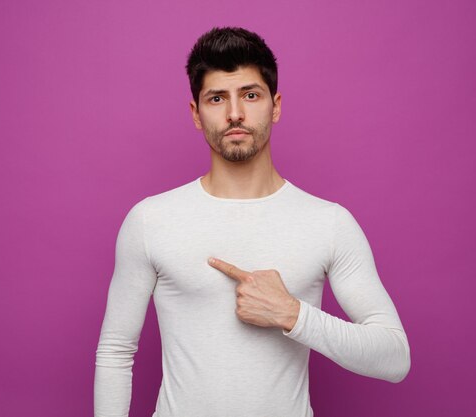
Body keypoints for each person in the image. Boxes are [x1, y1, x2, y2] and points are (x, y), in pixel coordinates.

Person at [94, 26, 410, 417]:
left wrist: (292, 314)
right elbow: (115, 351)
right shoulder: (150, 220)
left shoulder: (329, 223)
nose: (235, 113)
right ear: (196, 113)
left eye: (250, 94)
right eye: (216, 98)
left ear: (275, 106)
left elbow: (395, 357)